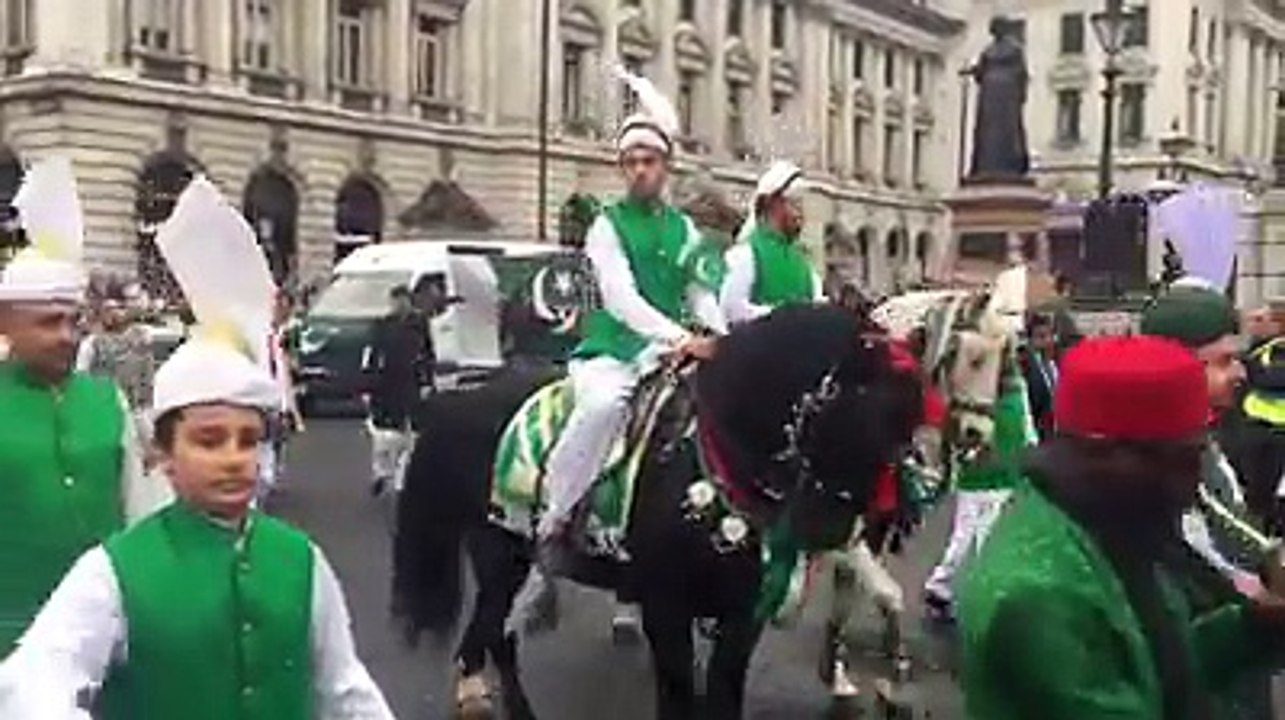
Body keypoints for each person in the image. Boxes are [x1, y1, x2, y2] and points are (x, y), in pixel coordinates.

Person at [0, 175, 394, 719]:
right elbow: (32, 685)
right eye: (209, 440)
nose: (234, 456)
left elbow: (347, 691)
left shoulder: (300, 559)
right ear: (166, 453)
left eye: (249, 440)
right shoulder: (118, 572)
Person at [958, 335, 1285, 720]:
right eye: (1190, 455)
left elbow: (1155, 666)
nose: (1193, 483)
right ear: (1127, 458)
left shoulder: (1102, 526)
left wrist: (1260, 624)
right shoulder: (1041, 594)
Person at [535, 68, 727, 547]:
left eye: (650, 160)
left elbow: (700, 291)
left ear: (666, 166)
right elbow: (621, 300)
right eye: (632, 161)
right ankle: (555, 515)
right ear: (623, 168)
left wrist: (723, 336)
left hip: (669, 354)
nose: (641, 169)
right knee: (603, 406)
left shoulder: (685, 229)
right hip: (613, 351)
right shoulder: (606, 225)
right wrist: (683, 338)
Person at [0, 157, 169, 654]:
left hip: (103, 631)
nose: (66, 336)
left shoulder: (105, 399)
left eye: (74, 322)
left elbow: (140, 510)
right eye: (49, 323)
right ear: (7, 323)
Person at [720, 160, 825, 325]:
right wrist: (784, 315)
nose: (800, 213)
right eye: (794, 203)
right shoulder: (745, 255)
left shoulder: (804, 262)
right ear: (771, 203)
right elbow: (731, 310)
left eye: (801, 204)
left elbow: (816, 305)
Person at [361, 284, 434, 497]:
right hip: (384, 383)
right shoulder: (382, 326)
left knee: (408, 434)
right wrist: (367, 382)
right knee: (382, 434)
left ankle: (401, 479)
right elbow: (372, 354)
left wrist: (427, 381)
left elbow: (428, 354)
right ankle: (381, 472)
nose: (398, 305)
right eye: (395, 301)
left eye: (403, 301)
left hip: (409, 383)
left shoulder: (419, 325)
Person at [76, 286, 156, 449]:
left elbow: (147, 373)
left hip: (136, 409)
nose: (114, 314)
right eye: (108, 310)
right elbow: (81, 376)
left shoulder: (140, 338)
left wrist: (147, 401)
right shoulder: (93, 344)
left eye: (118, 309)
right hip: (104, 410)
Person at [1019, 312, 1058, 438]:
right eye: (1041, 337)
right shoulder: (1027, 368)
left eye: (1050, 336)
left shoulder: (1057, 364)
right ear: (1030, 340)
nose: (1047, 341)